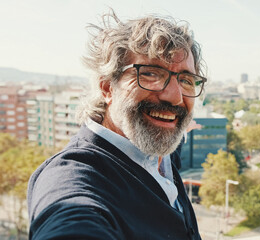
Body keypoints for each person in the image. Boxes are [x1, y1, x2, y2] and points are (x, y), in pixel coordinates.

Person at [27, 9, 206, 240]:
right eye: (151, 74)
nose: (175, 97)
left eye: (186, 80)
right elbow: (70, 220)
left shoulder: (156, 151)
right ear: (107, 88)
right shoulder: (71, 177)